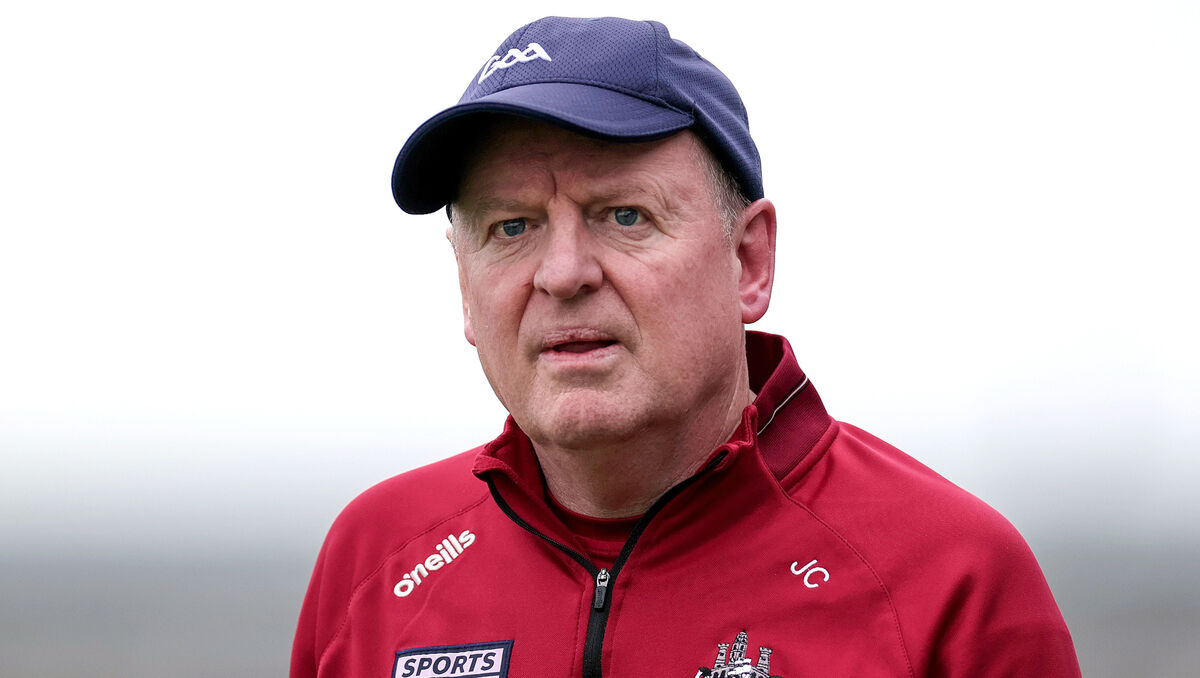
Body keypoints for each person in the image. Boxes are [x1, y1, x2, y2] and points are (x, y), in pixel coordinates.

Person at [291, 16, 1081, 678]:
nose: (562, 274)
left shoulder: (949, 578)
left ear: (749, 261)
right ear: (466, 288)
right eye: (513, 227)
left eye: (624, 214)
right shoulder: (376, 559)